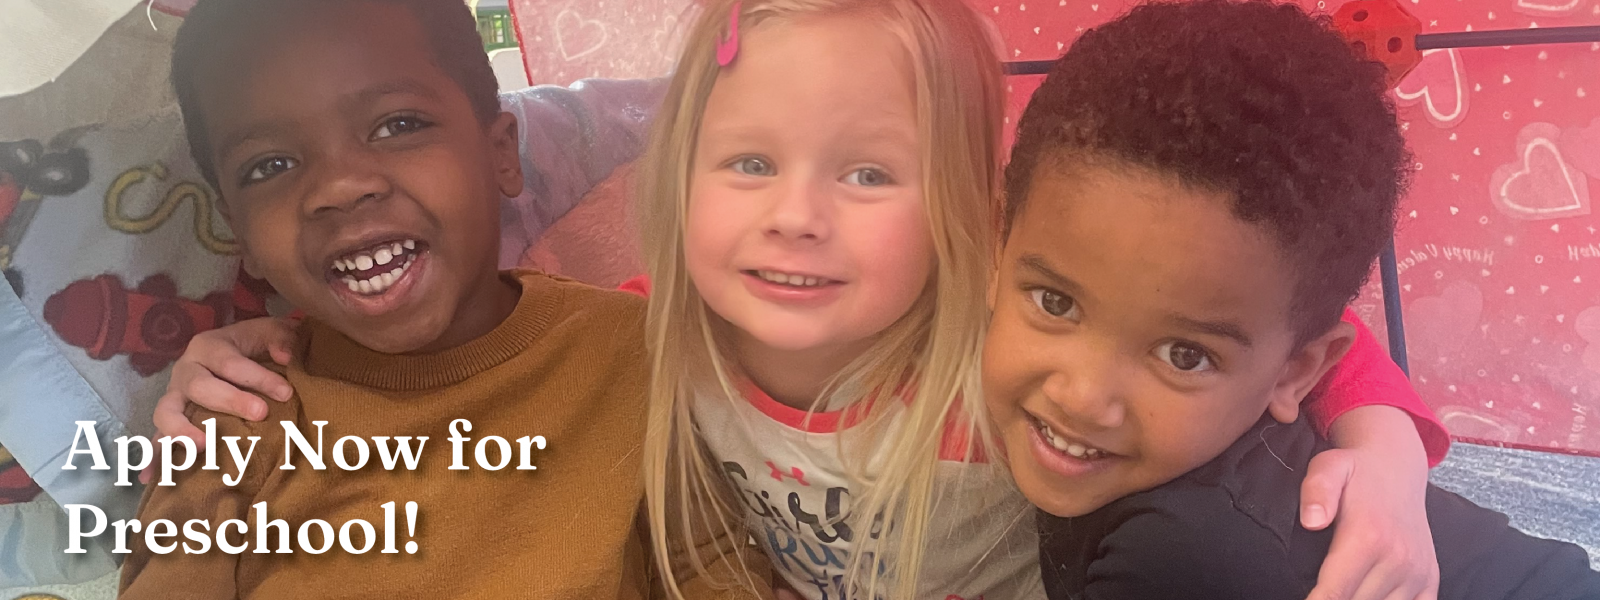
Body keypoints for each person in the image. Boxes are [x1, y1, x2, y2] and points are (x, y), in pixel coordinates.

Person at [154, 0, 1457, 598]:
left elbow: (1218, 322)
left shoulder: (1003, 328)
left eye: (869, 173)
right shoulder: (665, 332)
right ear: (684, 180)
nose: (795, 214)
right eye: (749, 163)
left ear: (972, 215)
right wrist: (239, 358)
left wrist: (1385, 445)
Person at [118, 0, 766, 597]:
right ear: (242, 239)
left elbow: (714, 572)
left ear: (501, 155)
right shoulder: (231, 414)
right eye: (270, 166)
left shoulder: (640, 355)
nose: (339, 187)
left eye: (398, 124)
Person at [982, 1, 1600, 598]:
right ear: (996, 246)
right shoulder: (1228, 321)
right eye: (1055, 303)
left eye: (1183, 355)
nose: (1084, 399)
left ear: (1298, 371)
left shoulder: (1181, 555)